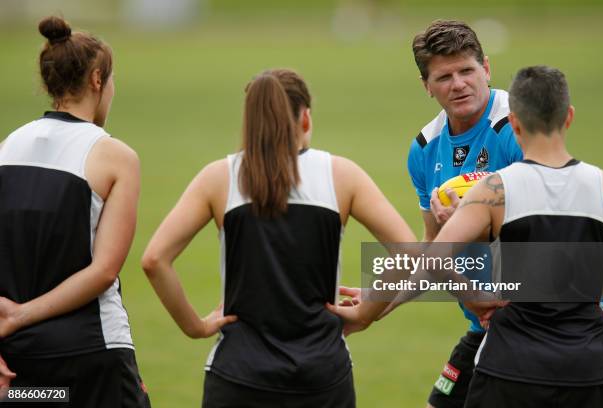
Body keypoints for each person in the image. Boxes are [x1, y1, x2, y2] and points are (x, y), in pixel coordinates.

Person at [331, 65, 603, 407]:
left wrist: (472, 292)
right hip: (589, 363)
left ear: (516, 125)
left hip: (510, 357)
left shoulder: (492, 190)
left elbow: (434, 256)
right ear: (569, 117)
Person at [141, 68, 417, 407]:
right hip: (322, 376)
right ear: (305, 119)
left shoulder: (219, 177)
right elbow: (408, 251)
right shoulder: (341, 175)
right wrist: (365, 313)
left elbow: (155, 260)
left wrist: (195, 326)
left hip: (238, 375)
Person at [340, 19, 523, 408]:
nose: (458, 84)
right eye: (444, 77)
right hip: (485, 325)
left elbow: (552, 235)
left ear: (486, 68)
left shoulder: (519, 127)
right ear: (427, 86)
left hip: (535, 324)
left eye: (467, 71)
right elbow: (433, 248)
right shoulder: (425, 148)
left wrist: (475, 222)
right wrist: (378, 301)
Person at [0, 16, 150, 407]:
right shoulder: (116, 156)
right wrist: (21, 315)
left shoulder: (7, 148)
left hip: (20, 365)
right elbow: (103, 271)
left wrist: (11, 323)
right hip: (92, 357)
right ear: (98, 80)